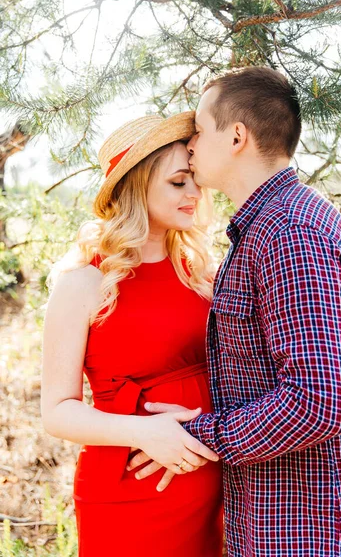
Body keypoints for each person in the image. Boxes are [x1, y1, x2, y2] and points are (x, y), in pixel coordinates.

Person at [132, 67, 341, 556]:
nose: (191, 143)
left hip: (313, 533)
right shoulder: (269, 230)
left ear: (236, 136)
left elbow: (317, 402)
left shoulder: (290, 236)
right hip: (279, 521)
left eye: (201, 129)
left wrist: (198, 434)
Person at [41, 112, 223, 557]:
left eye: (195, 180)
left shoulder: (201, 273)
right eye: (179, 182)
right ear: (139, 185)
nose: (196, 194)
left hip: (214, 485)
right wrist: (145, 433)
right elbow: (57, 412)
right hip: (130, 491)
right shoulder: (84, 281)